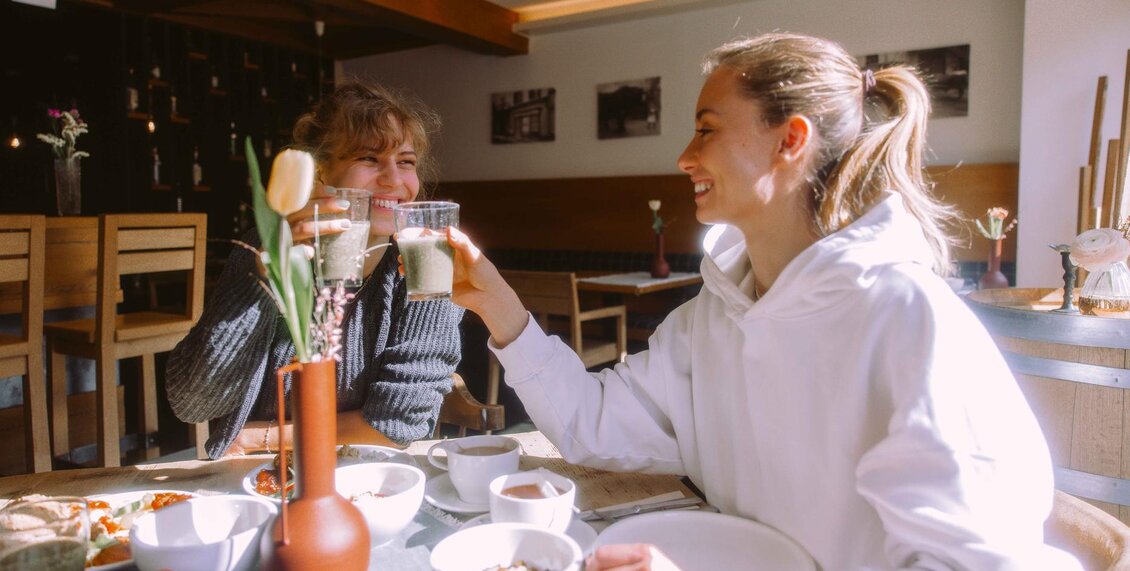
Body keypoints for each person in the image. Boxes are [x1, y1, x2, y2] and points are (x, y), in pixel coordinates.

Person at [440, 33, 1080, 569]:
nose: (684, 156)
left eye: (706, 129)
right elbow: (592, 422)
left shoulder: (907, 321)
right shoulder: (711, 318)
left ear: (789, 141)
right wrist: (500, 307)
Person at [167, 81, 463, 459]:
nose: (393, 179)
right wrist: (263, 280)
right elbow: (193, 403)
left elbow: (400, 423)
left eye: (406, 161)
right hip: (264, 476)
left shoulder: (427, 262)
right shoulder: (268, 249)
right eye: (369, 158)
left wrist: (262, 437)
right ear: (321, 172)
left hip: (373, 471)